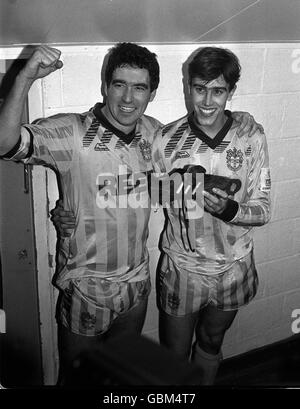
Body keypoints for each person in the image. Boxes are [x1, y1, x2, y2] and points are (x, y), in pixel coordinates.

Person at [0, 42, 261, 385]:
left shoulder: (155, 134)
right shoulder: (71, 132)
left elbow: (190, 155)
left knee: (121, 375)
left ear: (151, 94)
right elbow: (5, 144)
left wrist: (239, 120)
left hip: (136, 285)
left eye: (139, 88)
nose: (127, 98)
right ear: (105, 86)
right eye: (119, 84)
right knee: (78, 378)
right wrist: (25, 76)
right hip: (86, 286)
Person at [151, 46, 271, 385]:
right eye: (199, 88)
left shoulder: (252, 135)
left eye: (217, 90)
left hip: (234, 265)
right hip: (183, 267)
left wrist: (230, 209)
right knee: (174, 355)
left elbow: (263, 209)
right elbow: (148, 194)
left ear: (230, 92)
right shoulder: (164, 140)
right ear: (188, 87)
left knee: (211, 341)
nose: (206, 101)